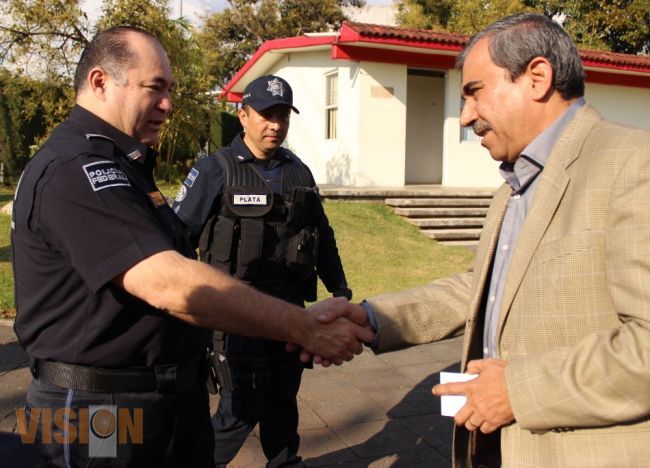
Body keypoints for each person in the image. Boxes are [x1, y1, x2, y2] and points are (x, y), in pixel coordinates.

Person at [10, 26, 372, 467]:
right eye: (154, 88)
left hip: (161, 397)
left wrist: (326, 298)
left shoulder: (125, 164)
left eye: (170, 89)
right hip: (92, 407)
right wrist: (304, 327)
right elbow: (170, 283)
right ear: (101, 82)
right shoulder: (75, 169)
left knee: (279, 418)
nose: (167, 103)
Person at [311, 12, 650, 467]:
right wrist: (374, 317)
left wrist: (516, 389)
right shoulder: (514, 187)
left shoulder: (633, 165)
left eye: (473, 92)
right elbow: (483, 288)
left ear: (537, 78)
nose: (466, 115)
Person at [172, 74, 352, 467]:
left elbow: (321, 235)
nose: (275, 125)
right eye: (266, 115)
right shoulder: (214, 171)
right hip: (235, 316)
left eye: (283, 115)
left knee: (282, 406)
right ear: (243, 115)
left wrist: (340, 288)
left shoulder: (298, 172)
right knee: (239, 411)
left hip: (288, 313)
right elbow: (176, 239)